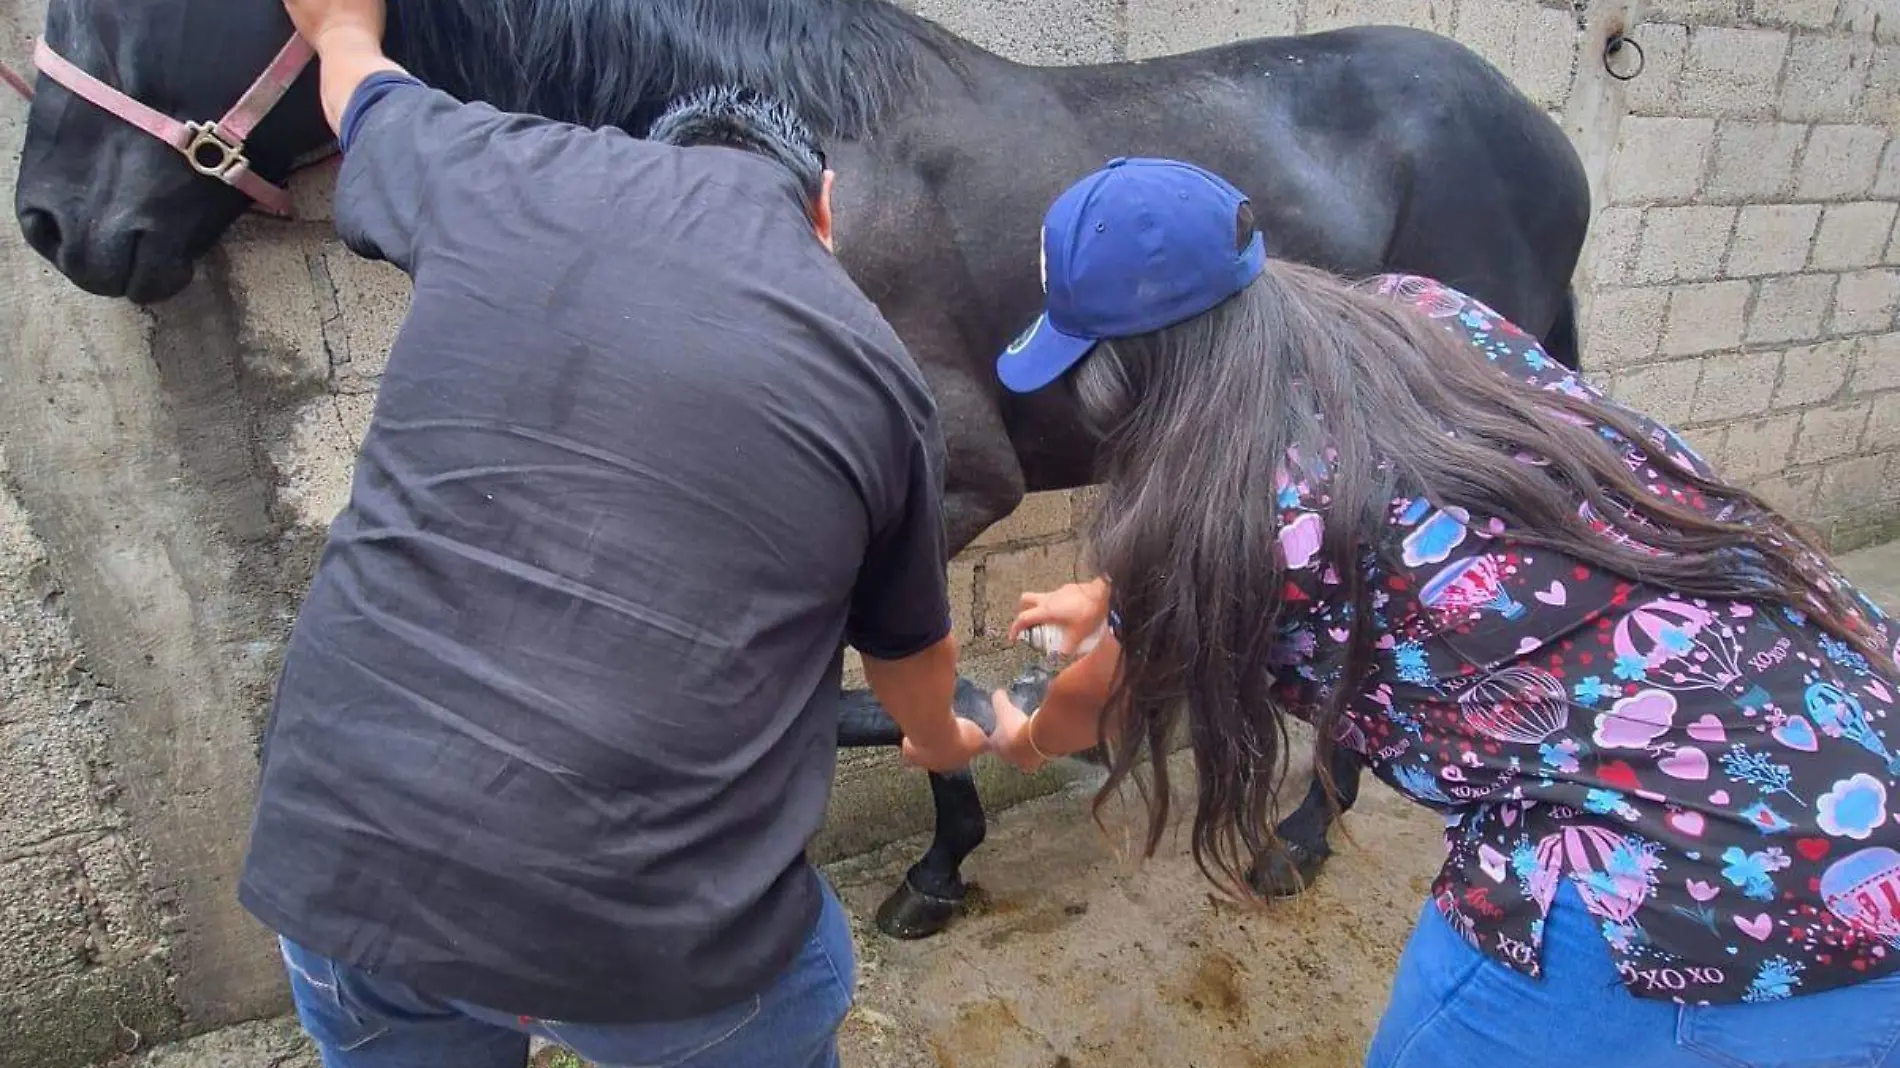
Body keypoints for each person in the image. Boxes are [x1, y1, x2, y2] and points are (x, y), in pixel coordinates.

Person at [982, 157, 1900, 1067]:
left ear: (1125, 378)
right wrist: (1123, 600)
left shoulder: (1235, 524)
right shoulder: (1418, 312)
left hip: (1698, 899)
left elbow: (1096, 705)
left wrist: (1012, 739)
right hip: (1849, 713)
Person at [239, 2, 990, 1065]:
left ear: (651, 153)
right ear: (824, 211)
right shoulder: (878, 375)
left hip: (346, 875)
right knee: (798, 976)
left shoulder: (508, 174)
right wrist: (943, 736)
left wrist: (340, 25)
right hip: (665, 954)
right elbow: (912, 670)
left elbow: (358, 83)